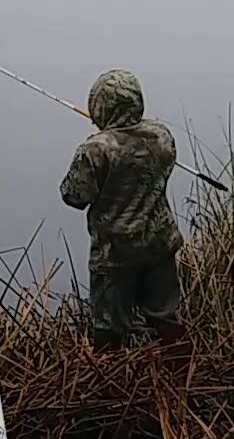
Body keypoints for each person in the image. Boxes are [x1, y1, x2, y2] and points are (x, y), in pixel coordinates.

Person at [60, 69, 185, 351]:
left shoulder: (95, 149)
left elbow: (74, 196)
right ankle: (183, 375)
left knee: (108, 326)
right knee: (166, 318)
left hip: (115, 253)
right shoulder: (161, 135)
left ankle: (108, 385)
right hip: (159, 245)